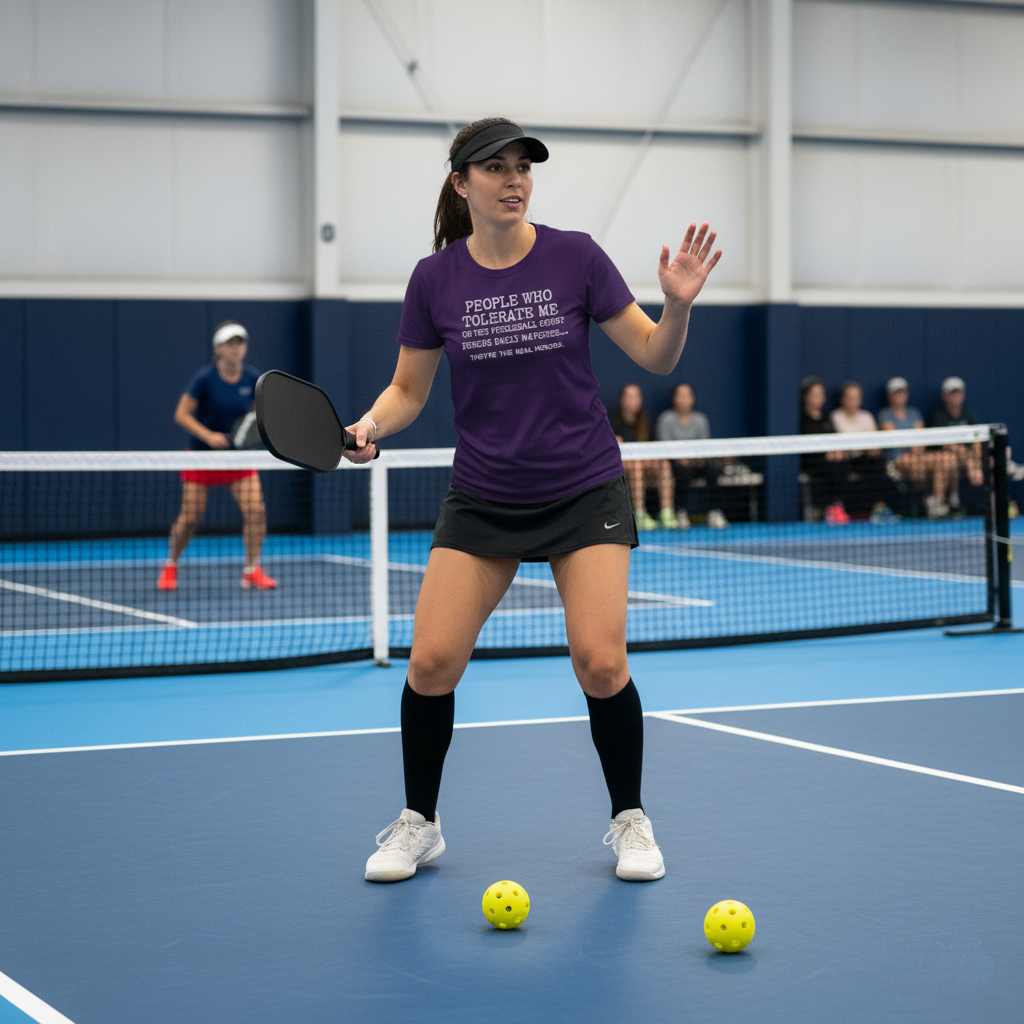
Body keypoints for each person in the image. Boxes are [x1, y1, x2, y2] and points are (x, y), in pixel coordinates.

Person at [344, 117, 721, 885]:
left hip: (583, 488)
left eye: (523, 167)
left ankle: (630, 818)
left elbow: (654, 355)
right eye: (496, 168)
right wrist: (371, 425)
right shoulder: (434, 279)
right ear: (462, 184)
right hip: (485, 495)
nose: (514, 180)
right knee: (430, 663)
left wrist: (677, 305)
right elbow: (408, 390)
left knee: (601, 662)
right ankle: (420, 823)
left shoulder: (575, 256)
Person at [157, 321, 277, 591]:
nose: (236, 348)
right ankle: (171, 564)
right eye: (230, 343)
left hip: (237, 458)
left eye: (240, 343)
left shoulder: (252, 378)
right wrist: (208, 435)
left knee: (256, 511)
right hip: (202, 457)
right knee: (190, 518)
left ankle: (252, 570)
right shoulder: (204, 379)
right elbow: (182, 414)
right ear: (218, 349)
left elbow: (260, 414)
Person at [878, 376, 958, 519]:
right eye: (896, 393)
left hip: (918, 456)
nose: (900, 396)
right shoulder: (885, 415)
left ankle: (938, 502)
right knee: (919, 467)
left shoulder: (914, 413)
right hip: (897, 460)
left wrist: (914, 444)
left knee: (947, 458)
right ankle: (930, 498)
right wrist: (912, 442)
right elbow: (894, 438)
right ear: (889, 396)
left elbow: (920, 439)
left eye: (902, 392)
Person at [655, 382, 728, 529]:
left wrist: (697, 458)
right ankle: (680, 512)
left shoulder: (700, 419)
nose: (684, 399)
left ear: (693, 399)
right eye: (680, 395)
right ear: (674, 398)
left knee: (713, 470)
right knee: (683, 472)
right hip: (675, 464)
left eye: (687, 395)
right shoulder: (666, 419)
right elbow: (663, 445)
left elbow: (704, 445)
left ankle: (715, 512)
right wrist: (680, 458)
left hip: (697, 461)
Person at [609, 383, 676, 530]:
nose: (633, 400)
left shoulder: (645, 422)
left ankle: (667, 513)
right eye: (629, 396)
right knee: (636, 466)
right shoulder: (612, 422)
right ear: (622, 400)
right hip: (622, 468)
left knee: (664, 464)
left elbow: (652, 447)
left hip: (644, 466)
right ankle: (639, 514)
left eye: (636, 396)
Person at [830, 381, 893, 522]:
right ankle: (837, 508)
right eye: (850, 397)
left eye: (856, 397)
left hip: (864, 459)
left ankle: (879, 507)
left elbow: (873, 442)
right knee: (837, 464)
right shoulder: (835, 417)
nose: (853, 401)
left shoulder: (867, 416)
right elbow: (839, 443)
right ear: (842, 399)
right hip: (845, 459)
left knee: (878, 460)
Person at [798, 377, 849, 525]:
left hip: (830, 459)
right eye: (814, 394)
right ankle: (829, 508)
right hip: (810, 461)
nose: (819, 397)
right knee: (830, 467)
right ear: (805, 397)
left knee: (842, 464)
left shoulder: (826, 416)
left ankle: (835, 506)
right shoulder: (801, 418)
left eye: (821, 394)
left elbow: (834, 437)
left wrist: (837, 451)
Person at [927, 377, 984, 505]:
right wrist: (967, 455)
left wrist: (977, 458)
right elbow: (944, 443)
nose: (955, 397)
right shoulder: (938, 416)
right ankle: (943, 501)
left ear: (963, 395)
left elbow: (977, 439)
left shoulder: (968, 414)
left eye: (958, 393)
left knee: (993, 461)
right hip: (948, 457)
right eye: (952, 394)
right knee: (948, 460)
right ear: (944, 396)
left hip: (969, 458)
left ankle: (998, 502)